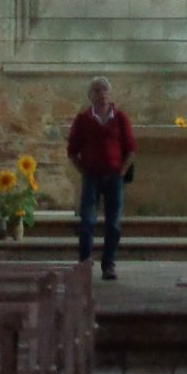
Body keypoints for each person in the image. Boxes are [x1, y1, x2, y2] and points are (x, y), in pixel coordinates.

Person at [67, 76, 136, 280]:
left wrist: (121, 171)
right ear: (90, 95)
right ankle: (85, 263)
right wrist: (83, 170)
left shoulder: (120, 118)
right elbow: (72, 150)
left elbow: (131, 148)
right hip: (92, 176)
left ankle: (109, 264)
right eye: (97, 90)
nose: (102, 93)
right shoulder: (83, 119)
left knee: (113, 223)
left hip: (114, 176)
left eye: (105, 89)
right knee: (87, 221)